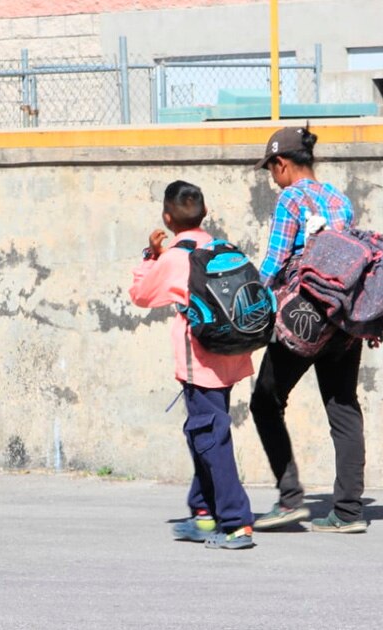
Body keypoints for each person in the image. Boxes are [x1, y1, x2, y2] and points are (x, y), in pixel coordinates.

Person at [249, 126, 369, 534]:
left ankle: (290, 499)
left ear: (282, 164)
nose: (272, 177)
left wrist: (248, 303)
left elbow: (275, 261)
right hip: (346, 317)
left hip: (305, 318)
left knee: (265, 400)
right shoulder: (339, 198)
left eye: (271, 169)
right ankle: (349, 512)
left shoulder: (290, 198)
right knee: (343, 405)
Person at [128, 180, 256, 550]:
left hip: (199, 361)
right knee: (203, 431)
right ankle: (204, 514)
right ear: (205, 214)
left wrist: (149, 255)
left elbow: (141, 295)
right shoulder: (222, 247)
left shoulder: (174, 256)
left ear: (167, 218)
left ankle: (235, 522)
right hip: (232, 355)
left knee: (210, 435)